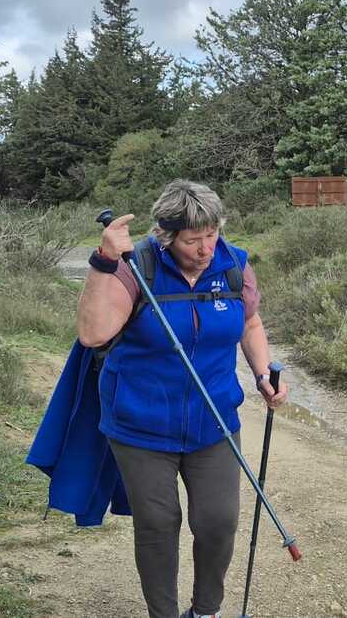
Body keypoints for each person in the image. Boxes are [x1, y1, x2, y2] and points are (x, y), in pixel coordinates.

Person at [74, 179, 287, 618]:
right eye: (193, 240)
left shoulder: (233, 265)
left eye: (212, 234)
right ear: (167, 236)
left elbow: (249, 323)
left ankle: (206, 611)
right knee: (158, 524)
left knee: (218, 522)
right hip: (140, 423)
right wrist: (103, 262)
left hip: (213, 420)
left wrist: (263, 372)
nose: (206, 248)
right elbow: (93, 334)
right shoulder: (138, 266)